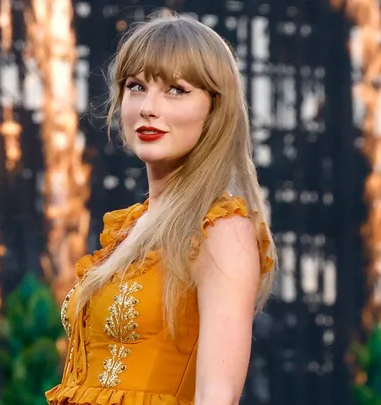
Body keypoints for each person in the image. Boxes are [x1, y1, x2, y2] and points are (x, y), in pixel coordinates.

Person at [46, 11, 277, 405]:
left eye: (176, 90)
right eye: (136, 86)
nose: (149, 107)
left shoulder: (221, 229)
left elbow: (216, 395)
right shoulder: (130, 227)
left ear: (214, 109)